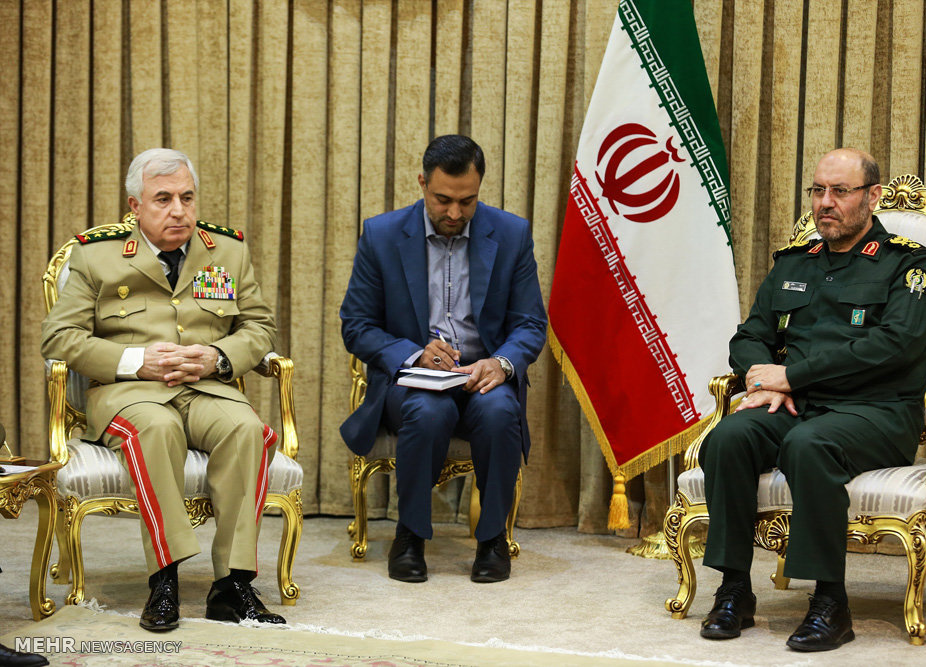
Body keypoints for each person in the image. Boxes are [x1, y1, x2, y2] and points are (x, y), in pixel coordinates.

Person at [697, 148, 926, 651]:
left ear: (872, 196)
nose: (825, 203)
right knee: (728, 437)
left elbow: (896, 344)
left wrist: (792, 377)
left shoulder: (906, 263)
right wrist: (762, 383)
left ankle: (831, 603)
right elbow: (750, 337)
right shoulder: (795, 262)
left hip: (876, 413)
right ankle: (735, 589)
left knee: (809, 444)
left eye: (840, 191)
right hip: (795, 406)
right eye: (818, 191)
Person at [40, 148, 285, 631]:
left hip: (207, 388)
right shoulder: (96, 255)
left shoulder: (227, 250)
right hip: (131, 393)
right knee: (156, 428)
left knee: (248, 430)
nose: (179, 211)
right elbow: (59, 337)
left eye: (187, 198)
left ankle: (233, 585)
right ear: (135, 206)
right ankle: (164, 580)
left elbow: (260, 327)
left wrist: (217, 356)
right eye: (163, 199)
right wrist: (137, 361)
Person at [340, 134, 547, 584]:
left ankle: (492, 539)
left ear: (479, 188)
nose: (454, 213)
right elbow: (356, 325)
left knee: (500, 411)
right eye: (443, 200)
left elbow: (531, 323)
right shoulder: (382, 235)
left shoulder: (511, 235)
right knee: (428, 410)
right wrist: (414, 353)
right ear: (422, 183)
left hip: (482, 376)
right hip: (413, 382)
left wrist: (501, 363)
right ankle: (410, 535)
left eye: (467, 201)